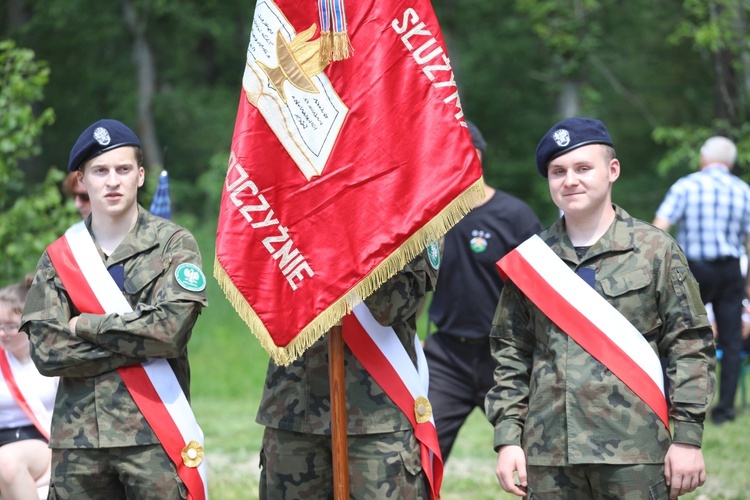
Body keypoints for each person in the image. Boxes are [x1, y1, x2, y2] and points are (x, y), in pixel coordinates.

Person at [486, 117, 716, 499]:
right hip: (548, 454)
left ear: (612, 171)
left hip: (636, 451)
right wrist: (508, 439)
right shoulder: (533, 260)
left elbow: (689, 344)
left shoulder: (656, 250)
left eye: (582, 168)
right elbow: (511, 353)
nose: (569, 180)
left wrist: (688, 439)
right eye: (557, 171)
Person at [19, 119, 208, 498]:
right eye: (100, 171)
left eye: (123, 169)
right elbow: (46, 353)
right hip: (79, 444)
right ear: (82, 180)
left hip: (154, 436)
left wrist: (83, 325)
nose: (112, 181)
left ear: (140, 176)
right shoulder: (60, 257)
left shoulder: (174, 245)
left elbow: (169, 334)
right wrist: (136, 342)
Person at [256, 243, 441, 499]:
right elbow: (258, 282)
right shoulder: (290, 204)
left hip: (377, 417)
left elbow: (392, 307)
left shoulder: (413, 207)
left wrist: (350, 230)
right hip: (293, 406)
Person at [423, 121, 541, 462]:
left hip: (505, 356)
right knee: (418, 458)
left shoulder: (514, 215)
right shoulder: (430, 216)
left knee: (536, 457)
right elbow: (415, 287)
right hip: (446, 357)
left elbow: (539, 293)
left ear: (478, 156)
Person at [653, 135, 750, 426]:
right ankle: (724, 411)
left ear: (703, 159)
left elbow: (661, 226)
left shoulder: (686, 185)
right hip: (731, 270)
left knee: (677, 333)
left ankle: (669, 401)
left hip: (694, 269)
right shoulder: (743, 190)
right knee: (732, 342)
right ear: (731, 163)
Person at [0, 276, 57, 500]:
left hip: (40, 443)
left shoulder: (54, 359)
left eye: (11, 326)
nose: (2, 333)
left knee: (7, 463)